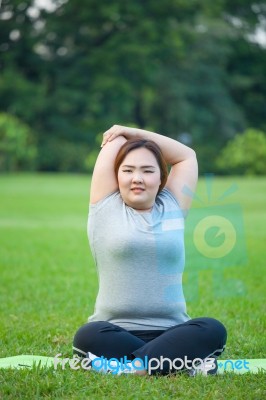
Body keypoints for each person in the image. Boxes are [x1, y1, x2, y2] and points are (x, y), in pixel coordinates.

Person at [73, 125, 227, 376]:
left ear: (161, 177)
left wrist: (131, 131)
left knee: (213, 328)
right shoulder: (105, 206)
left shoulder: (173, 206)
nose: (137, 178)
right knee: (88, 335)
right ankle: (178, 364)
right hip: (114, 331)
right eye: (128, 170)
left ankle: (133, 369)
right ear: (117, 175)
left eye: (147, 170)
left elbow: (187, 156)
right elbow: (113, 141)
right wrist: (121, 134)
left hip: (172, 331)